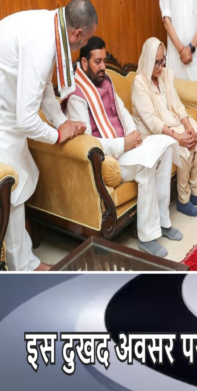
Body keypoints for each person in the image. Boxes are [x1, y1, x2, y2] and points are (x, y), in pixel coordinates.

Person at [0, 0, 97, 271]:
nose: (84, 44)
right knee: (16, 179)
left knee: (20, 176)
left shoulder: (52, 25)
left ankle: (22, 261)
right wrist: (58, 136)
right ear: (77, 34)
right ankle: (24, 267)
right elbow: (27, 120)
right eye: (86, 40)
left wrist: (64, 123)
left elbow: (43, 87)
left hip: (1, 105)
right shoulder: (42, 43)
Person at [64, 37, 181, 258]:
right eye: (97, 62)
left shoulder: (106, 80)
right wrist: (123, 144)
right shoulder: (77, 97)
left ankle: (163, 222)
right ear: (84, 62)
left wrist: (133, 135)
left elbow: (123, 111)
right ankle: (147, 236)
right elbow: (87, 143)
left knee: (165, 147)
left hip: (128, 146)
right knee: (147, 164)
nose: (103, 66)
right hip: (110, 158)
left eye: (104, 60)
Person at [131, 38, 197, 217]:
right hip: (154, 132)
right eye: (156, 62)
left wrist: (188, 127)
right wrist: (179, 137)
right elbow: (153, 122)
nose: (160, 67)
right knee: (185, 148)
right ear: (147, 60)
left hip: (171, 122)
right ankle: (184, 199)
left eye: (162, 61)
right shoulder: (139, 83)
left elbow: (177, 104)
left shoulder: (165, 75)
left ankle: (196, 192)